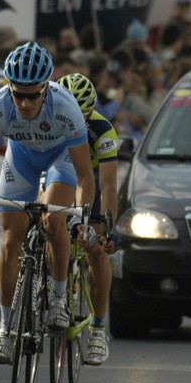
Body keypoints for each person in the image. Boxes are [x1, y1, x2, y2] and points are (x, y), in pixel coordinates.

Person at [0, 41, 95, 365]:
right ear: (9, 89)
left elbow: (84, 176)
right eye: (18, 94)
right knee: (11, 238)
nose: (25, 103)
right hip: (21, 158)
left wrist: (80, 217)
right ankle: (5, 329)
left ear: (46, 89)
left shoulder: (66, 110)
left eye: (33, 95)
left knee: (54, 220)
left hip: (60, 158)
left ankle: (57, 299)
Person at [56, 73, 118, 365]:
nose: (77, 123)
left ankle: (98, 327)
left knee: (95, 250)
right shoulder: (51, 117)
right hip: (60, 175)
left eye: (83, 116)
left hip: (89, 181)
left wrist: (107, 229)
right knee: (47, 225)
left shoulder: (103, 130)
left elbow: (107, 184)